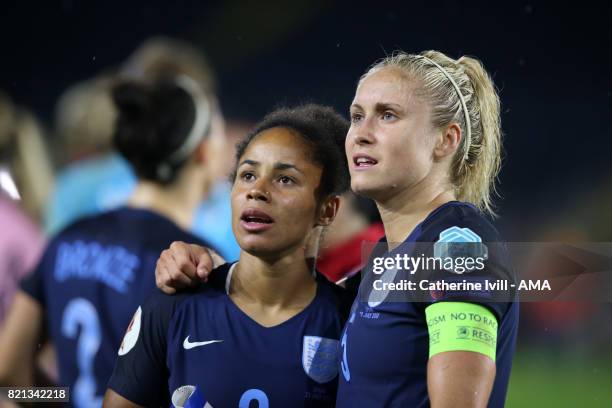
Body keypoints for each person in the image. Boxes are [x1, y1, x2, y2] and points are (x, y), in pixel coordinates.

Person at [154, 50, 519, 407]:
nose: (361, 133)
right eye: (357, 116)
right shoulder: (385, 261)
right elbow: (292, 295)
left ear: (446, 140)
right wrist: (210, 268)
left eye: (388, 115)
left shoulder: (458, 247)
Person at [103, 104, 351, 407]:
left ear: (327, 209)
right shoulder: (173, 304)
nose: (257, 190)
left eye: (285, 179)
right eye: (247, 175)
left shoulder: (348, 322)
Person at [0, 77, 224, 408]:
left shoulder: (68, 238)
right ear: (204, 152)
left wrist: (65, 400)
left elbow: (9, 374)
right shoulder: (192, 263)